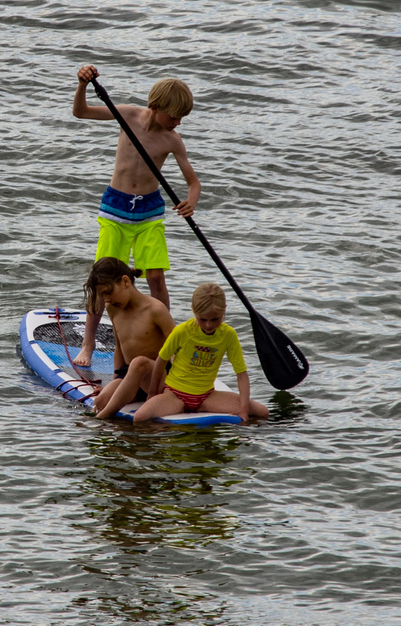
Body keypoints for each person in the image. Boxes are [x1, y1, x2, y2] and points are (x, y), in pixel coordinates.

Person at [71, 65, 200, 359]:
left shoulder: (172, 140)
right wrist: (81, 85)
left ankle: (165, 343)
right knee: (102, 279)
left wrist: (192, 201)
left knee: (156, 278)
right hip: (115, 210)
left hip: (149, 213)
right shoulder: (127, 115)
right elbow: (81, 112)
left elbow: (193, 182)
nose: (178, 123)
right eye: (174, 116)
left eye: (182, 118)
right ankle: (88, 344)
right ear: (155, 108)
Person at [135, 284, 269, 423]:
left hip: (207, 397)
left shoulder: (228, 335)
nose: (208, 325)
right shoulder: (182, 331)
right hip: (175, 395)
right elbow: (161, 360)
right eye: (203, 319)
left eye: (215, 319)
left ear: (224, 311)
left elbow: (241, 374)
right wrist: (152, 393)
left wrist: (243, 409)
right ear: (194, 312)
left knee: (262, 412)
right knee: (140, 417)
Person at [77, 258, 177, 422]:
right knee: (100, 401)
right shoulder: (113, 309)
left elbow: (177, 349)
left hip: (160, 378)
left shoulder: (156, 309)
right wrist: (117, 381)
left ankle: (102, 418)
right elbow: (119, 346)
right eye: (103, 295)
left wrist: (179, 387)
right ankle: (109, 420)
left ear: (125, 281)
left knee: (139, 363)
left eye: (108, 292)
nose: (106, 299)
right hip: (133, 380)